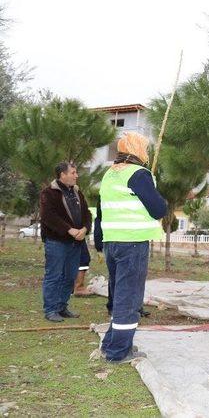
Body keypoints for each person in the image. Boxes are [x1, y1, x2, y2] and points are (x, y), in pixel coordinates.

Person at [96, 131, 167, 364]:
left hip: (112, 242)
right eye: (144, 148)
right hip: (133, 242)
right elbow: (158, 209)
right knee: (130, 298)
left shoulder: (109, 174)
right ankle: (119, 352)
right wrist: (160, 197)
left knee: (119, 295)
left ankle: (111, 344)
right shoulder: (138, 174)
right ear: (137, 150)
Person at [40, 162, 92, 322]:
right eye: (73, 173)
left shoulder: (77, 193)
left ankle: (62, 306)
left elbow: (87, 213)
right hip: (57, 242)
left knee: (70, 276)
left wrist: (84, 229)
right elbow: (49, 216)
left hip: (76, 243)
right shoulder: (49, 193)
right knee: (54, 275)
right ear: (62, 174)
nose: (76, 176)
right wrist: (69, 230)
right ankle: (50, 310)